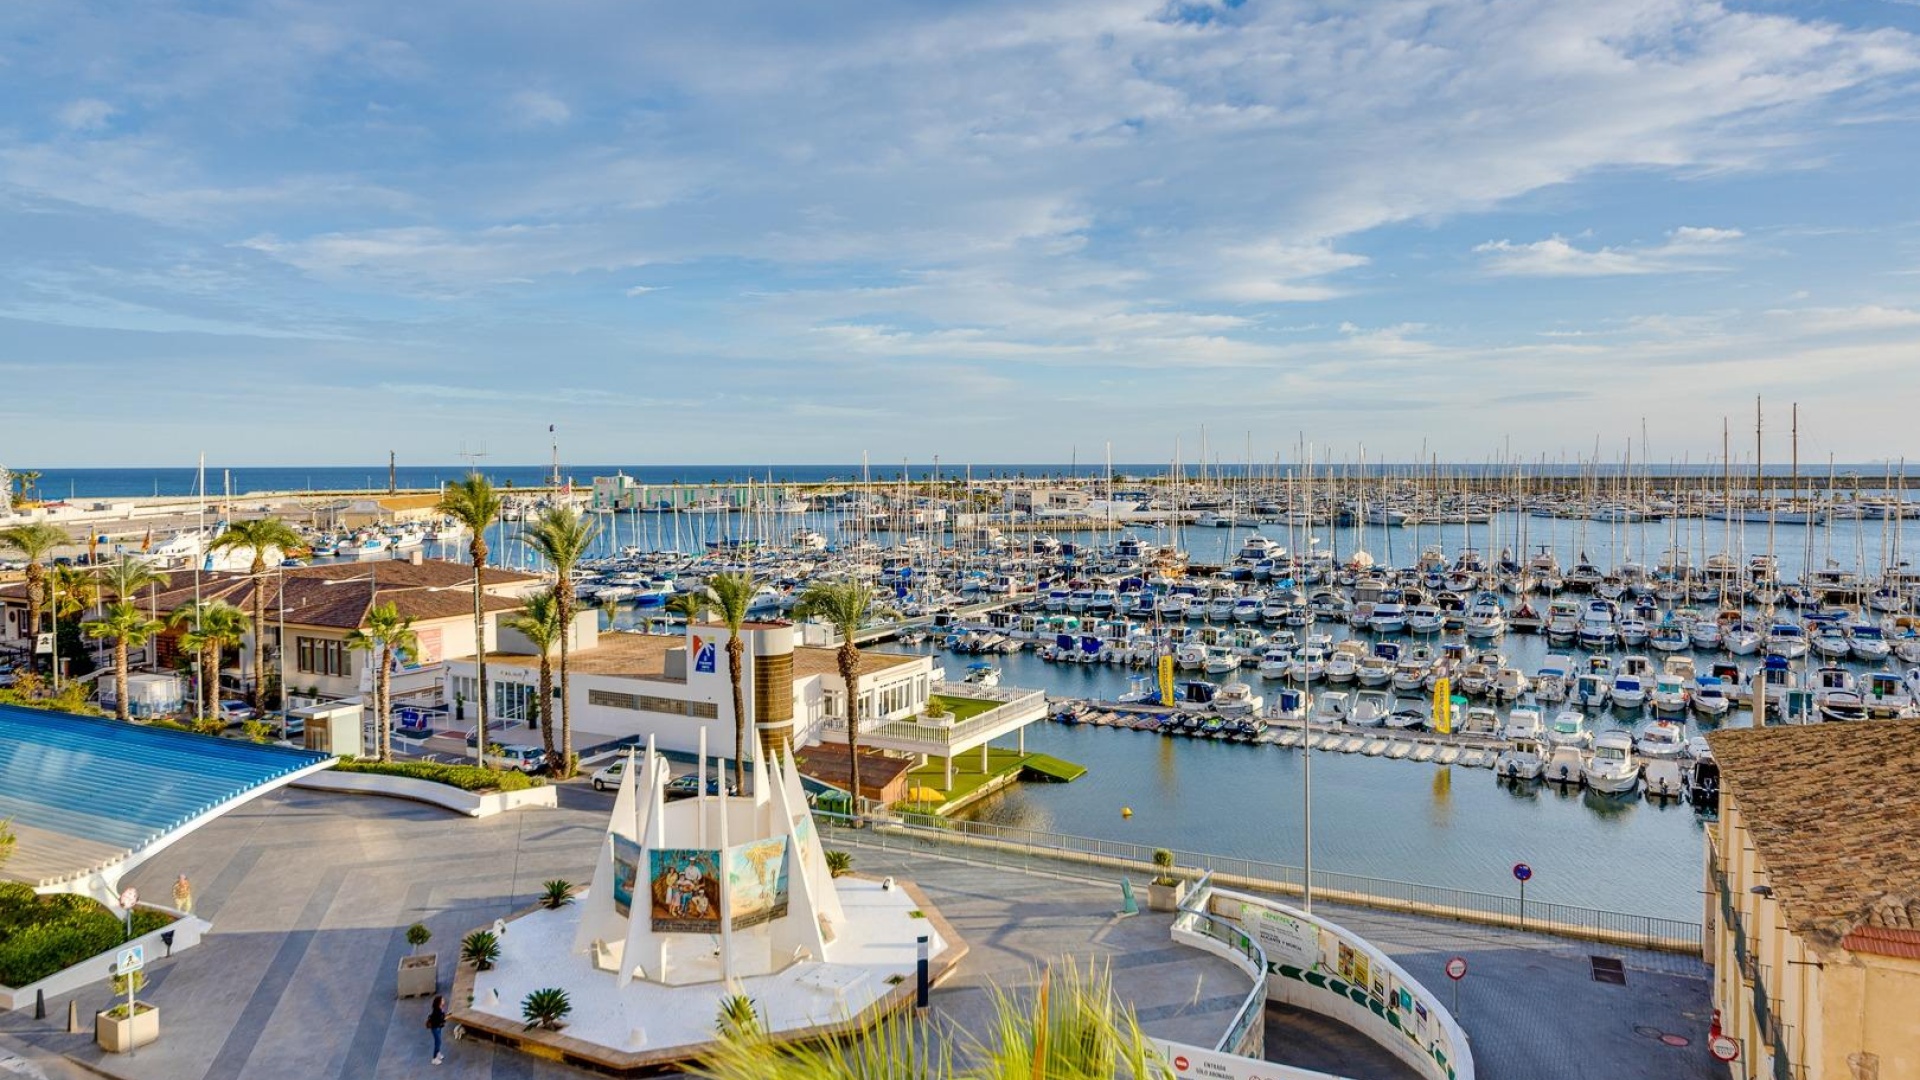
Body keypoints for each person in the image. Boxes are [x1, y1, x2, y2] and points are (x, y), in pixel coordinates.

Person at [426, 995, 447, 1065]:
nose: (444, 1001)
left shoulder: (440, 1008)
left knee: (439, 1041)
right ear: (439, 1002)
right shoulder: (437, 1011)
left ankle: (438, 1053)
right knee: (438, 1042)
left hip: (438, 1027)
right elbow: (440, 1019)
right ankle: (434, 1058)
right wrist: (444, 1018)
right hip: (435, 1028)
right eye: (442, 1000)